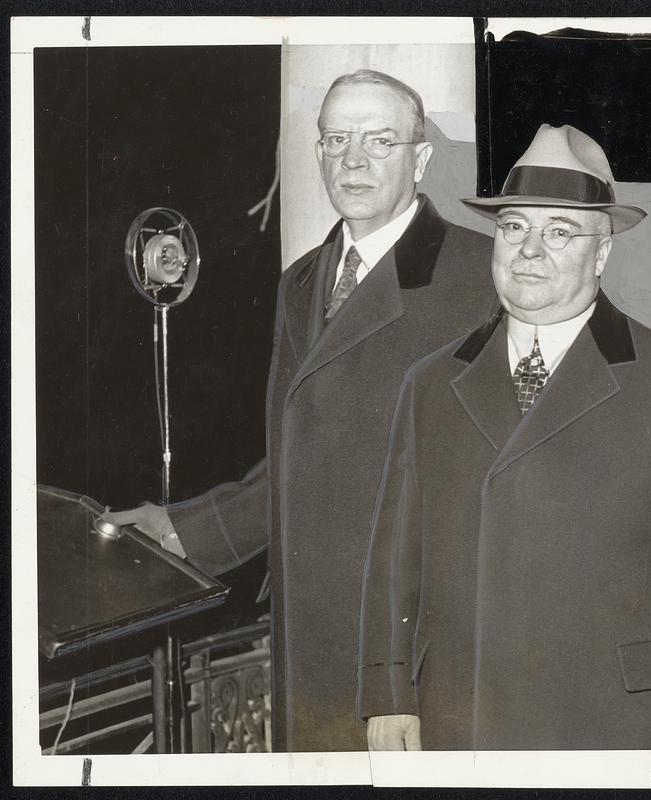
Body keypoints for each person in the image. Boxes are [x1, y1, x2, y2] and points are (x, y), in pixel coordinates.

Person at [104, 69, 497, 751]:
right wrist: (181, 530)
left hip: (417, 652)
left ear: (420, 157)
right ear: (315, 153)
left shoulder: (478, 276)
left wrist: (405, 668)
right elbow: (296, 461)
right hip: (308, 634)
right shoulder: (301, 282)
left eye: (379, 141)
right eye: (335, 140)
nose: (352, 161)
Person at [357, 123, 651, 751]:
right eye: (514, 227)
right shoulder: (430, 383)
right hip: (461, 715)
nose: (529, 251)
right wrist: (387, 694)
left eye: (559, 232)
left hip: (616, 725)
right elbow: (394, 561)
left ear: (601, 254)